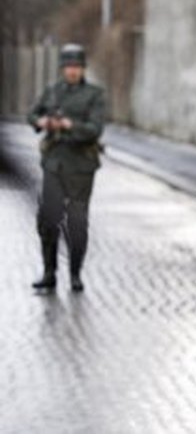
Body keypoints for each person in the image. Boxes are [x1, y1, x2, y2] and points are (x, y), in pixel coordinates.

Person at [28, 43, 106, 293]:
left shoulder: (94, 94)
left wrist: (70, 125)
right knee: (48, 219)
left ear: (83, 69)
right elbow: (32, 115)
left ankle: (75, 274)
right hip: (53, 163)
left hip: (81, 167)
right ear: (62, 68)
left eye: (77, 66)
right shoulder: (52, 91)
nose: (72, 71)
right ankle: (49, 273)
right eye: (68, 66)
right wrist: (43, 122)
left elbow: (95, 129)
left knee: (77, 223)